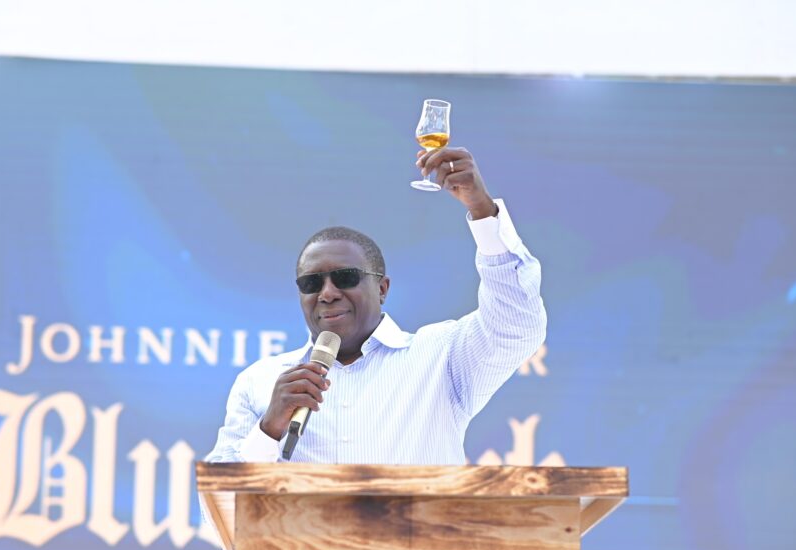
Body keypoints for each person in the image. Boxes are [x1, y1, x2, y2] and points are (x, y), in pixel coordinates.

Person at [204, 147, 546, 465]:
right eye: (311, 283)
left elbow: (516, 326)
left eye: (345, 278)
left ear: (382, 289)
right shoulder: (261, 382)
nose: (327, 293)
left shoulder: (440, 356)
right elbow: (221, 504)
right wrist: (268, 430)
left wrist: (483, 211)